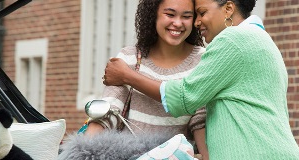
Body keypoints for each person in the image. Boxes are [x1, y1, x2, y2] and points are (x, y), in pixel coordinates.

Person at [103, 0, 299, 159]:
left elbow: (184, 98)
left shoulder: (232, 40)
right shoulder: (262, 40)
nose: (197, 22)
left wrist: (126, 75)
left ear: (228, 9)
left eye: (202, 12)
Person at [84, 0, 209, 159]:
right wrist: (83, 152)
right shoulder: (129, 57)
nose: (177, 23)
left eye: (186, 16)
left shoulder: (203, 60)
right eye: (170, 14)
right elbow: (108, 114)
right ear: (153, 15)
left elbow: (200, 121)